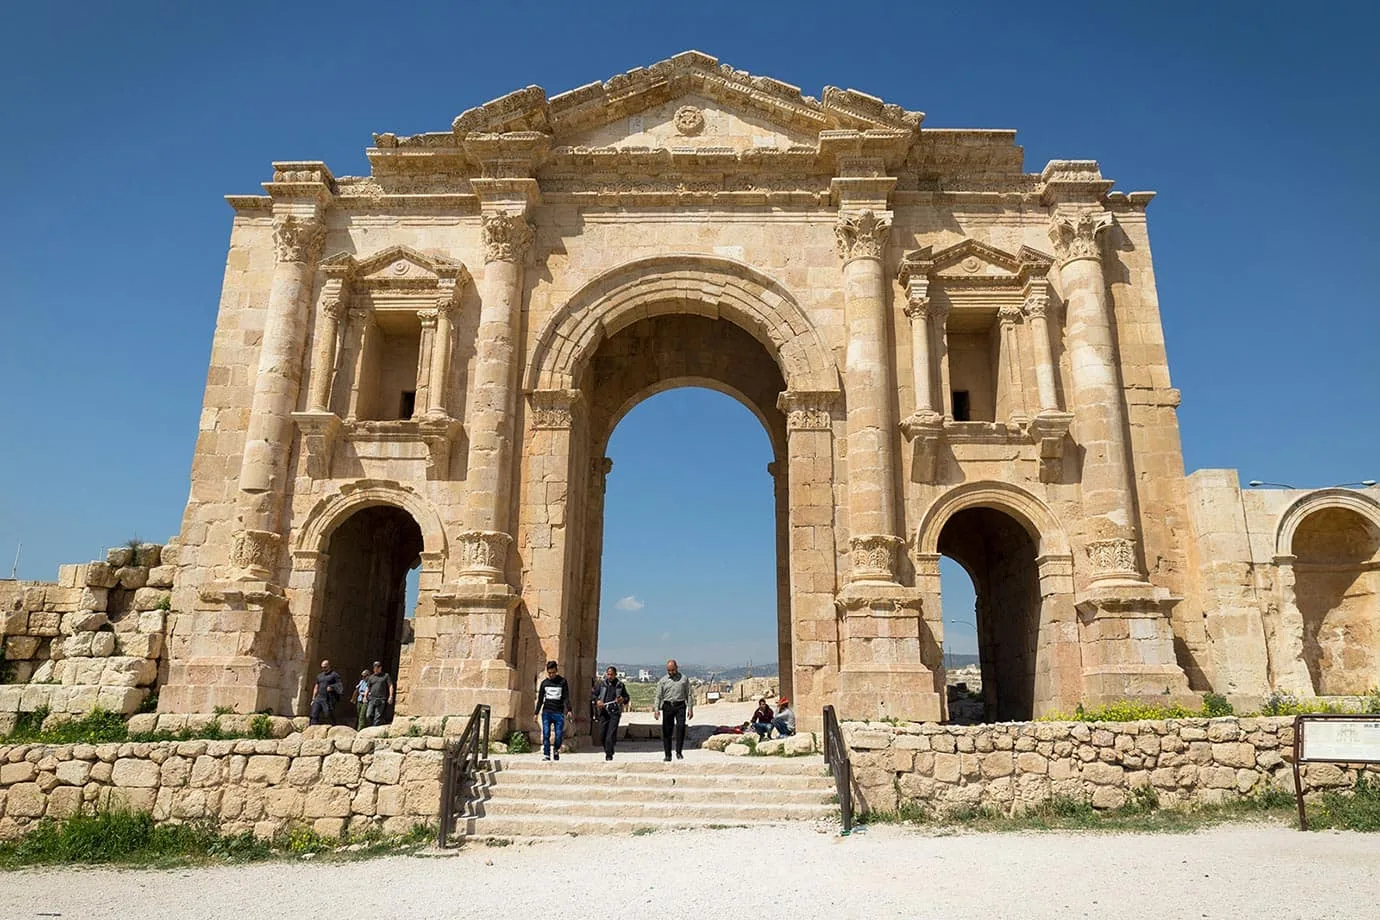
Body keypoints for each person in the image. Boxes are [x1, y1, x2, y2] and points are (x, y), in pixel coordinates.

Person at [652, 658, 695, 762]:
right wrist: (656, 709)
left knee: (680, 728)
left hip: (680, 706)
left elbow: (688, 694)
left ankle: (679, 751)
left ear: (676, 668)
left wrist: (690, 708)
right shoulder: (663, 681)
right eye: (669, 670)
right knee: (667, 731)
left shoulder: (684, 679)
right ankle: (668, 754)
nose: (671, 672)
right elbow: (658, 696)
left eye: (673, 670)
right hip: (667, 706)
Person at [534, 660, 572, 761]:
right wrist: (536, 713)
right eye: (549, 673)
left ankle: (556, 750)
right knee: (546, 733)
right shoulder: (544, 683)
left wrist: (569, 709)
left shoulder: (562, 682)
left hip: (558, 712)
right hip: (546, 712)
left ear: (556, 671)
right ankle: (547, 754)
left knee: (559, 734)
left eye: (553, 672)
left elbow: (566, 697)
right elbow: (540, 699)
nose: (551, 675)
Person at [593, 666, 631, 761]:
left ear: (615, 675)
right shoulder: (601, 684)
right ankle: (609, 749)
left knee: (610, 735)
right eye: (608, 674)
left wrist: (622, 699)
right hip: (603, 712)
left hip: (614, 712)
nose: (609, 676)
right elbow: (593, 695)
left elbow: (626, 698)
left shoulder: (620, 685)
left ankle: (609, 755)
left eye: (611, 674)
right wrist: (597, 701)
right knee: (602, 735)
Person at [309, 659, 343, 725]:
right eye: (322, 667)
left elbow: (339, 685)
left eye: (325, 667)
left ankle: (333, 726)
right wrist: (313, 698)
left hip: (328, 698)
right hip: (318, 697)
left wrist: (332, 687)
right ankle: (312, 728)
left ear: (328, 666)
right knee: (314, 714)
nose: (323, 669)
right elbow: (316, 686)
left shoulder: (334, 675)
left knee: (328, 714)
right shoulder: (319, 676)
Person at [364, 660, 395, 727]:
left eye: (377, 668)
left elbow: (390, 685)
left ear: (380, 668)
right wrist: (365, 696)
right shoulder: (371, 677)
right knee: (368, 715)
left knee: (377, 716)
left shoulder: (385, 676)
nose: (376, 669)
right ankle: (372, 724)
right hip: (372, 698)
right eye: (374, 668)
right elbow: (368, 687)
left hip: (381, 699)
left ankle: (374, 728)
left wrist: (391, 696)